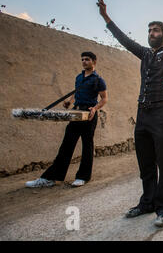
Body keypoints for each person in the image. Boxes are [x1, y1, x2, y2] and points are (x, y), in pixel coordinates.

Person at [97, 0, 163, 227]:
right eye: (149, 29)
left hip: (161, 113)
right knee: (145, 162)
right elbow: (124, 40)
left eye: (156, 30)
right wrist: (106, 17)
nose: (151, 32)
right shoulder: (145, 54)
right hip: (143, 114)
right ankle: (147, 202)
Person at [26, 52, 108, 188]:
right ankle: (51, 178)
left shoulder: (98, 80)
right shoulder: (79, 77)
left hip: (89, 115)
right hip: (76, 113)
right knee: (66, 145)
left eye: (87, 59)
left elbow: (104, 98)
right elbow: (77, 92)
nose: (84, 62)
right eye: (82, 59)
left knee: (87, 147)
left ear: (94, 61)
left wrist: (95, 108)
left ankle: (83, 177)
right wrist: (69, 102)